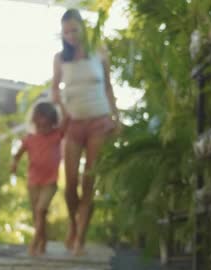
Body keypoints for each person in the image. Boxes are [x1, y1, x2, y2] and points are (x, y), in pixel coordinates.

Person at [51, 9, 120, 256]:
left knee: (89, 182)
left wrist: (116, 117)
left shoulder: (99, 51)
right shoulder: (60, 58)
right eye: (66, 31)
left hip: (99, 121)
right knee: (70, 184)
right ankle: (73, 223)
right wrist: (63, 112)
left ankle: (81, 236)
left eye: (74, 30)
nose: (70, 35)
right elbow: (55, 91)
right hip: (73, 124)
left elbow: (109, 87)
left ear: (83, 28)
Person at [11, 102, 68, 256]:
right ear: (35, 121)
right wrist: (14, 164)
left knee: (41, 209)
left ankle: (35, 243)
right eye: (40, 124)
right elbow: (18, 154)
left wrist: (60, 103)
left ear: (53, 122)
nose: (44, 128)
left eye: (47, 125)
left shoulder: (57, 135)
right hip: (33, 181)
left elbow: (67, 121)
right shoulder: (29, 138)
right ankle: (43, 239)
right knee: (37, 214)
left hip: (50, 181)